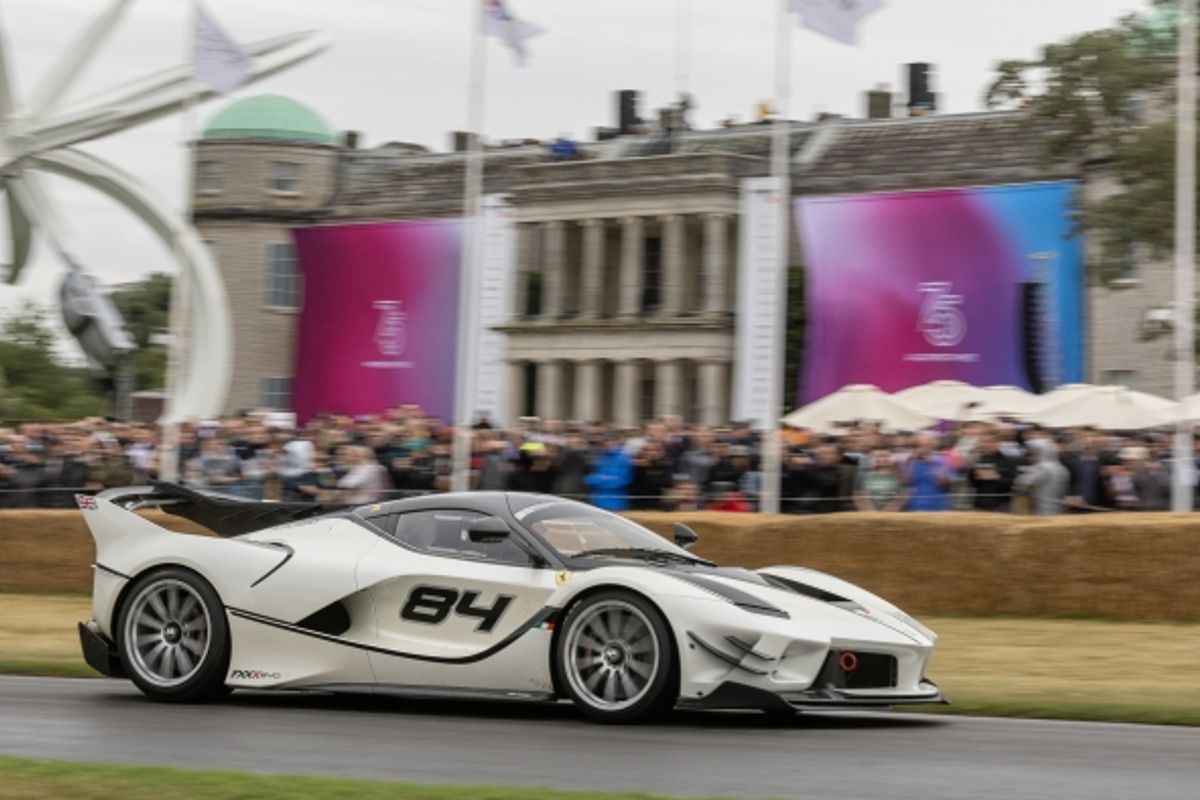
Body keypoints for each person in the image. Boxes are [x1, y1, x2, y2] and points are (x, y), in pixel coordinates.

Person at [1016, 437, 1070, 516]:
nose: (1031, 457)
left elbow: (1022, 481)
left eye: (1034, 454)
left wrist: (1022, 473)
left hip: (1043, 512)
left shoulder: (1043, 468)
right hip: (1058, 510)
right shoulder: (1061, 468)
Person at [967, 431, 1016, 512]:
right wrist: (973, 473)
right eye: (982, 442)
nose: (984, 445)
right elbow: (972, 484)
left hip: (1001, 505)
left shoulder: (1009, 461)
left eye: (988, 442)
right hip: (980, 504)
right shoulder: (977, 460)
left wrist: (996, 477)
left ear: (997, 444)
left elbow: (1013, 484)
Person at [585, 432, 633, 511]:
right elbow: (589, 479)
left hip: (617, 505)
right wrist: (605, 479)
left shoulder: (625, 459)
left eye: (611, 440)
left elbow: (620, 482)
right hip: (597, 503)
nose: (608, 443)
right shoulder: (601, 458)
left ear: (617, 441)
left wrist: (599, 479)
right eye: (606, 441)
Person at [904, 434, 952, 512]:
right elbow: (907, 482)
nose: (923, 448)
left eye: (926, 445)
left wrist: (930, 463)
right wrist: (912, 461)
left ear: (932, 446)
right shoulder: (913, 462)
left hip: (939, 507)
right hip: (916, 506)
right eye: (919, 446)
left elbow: (946, 484)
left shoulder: (942, 459)